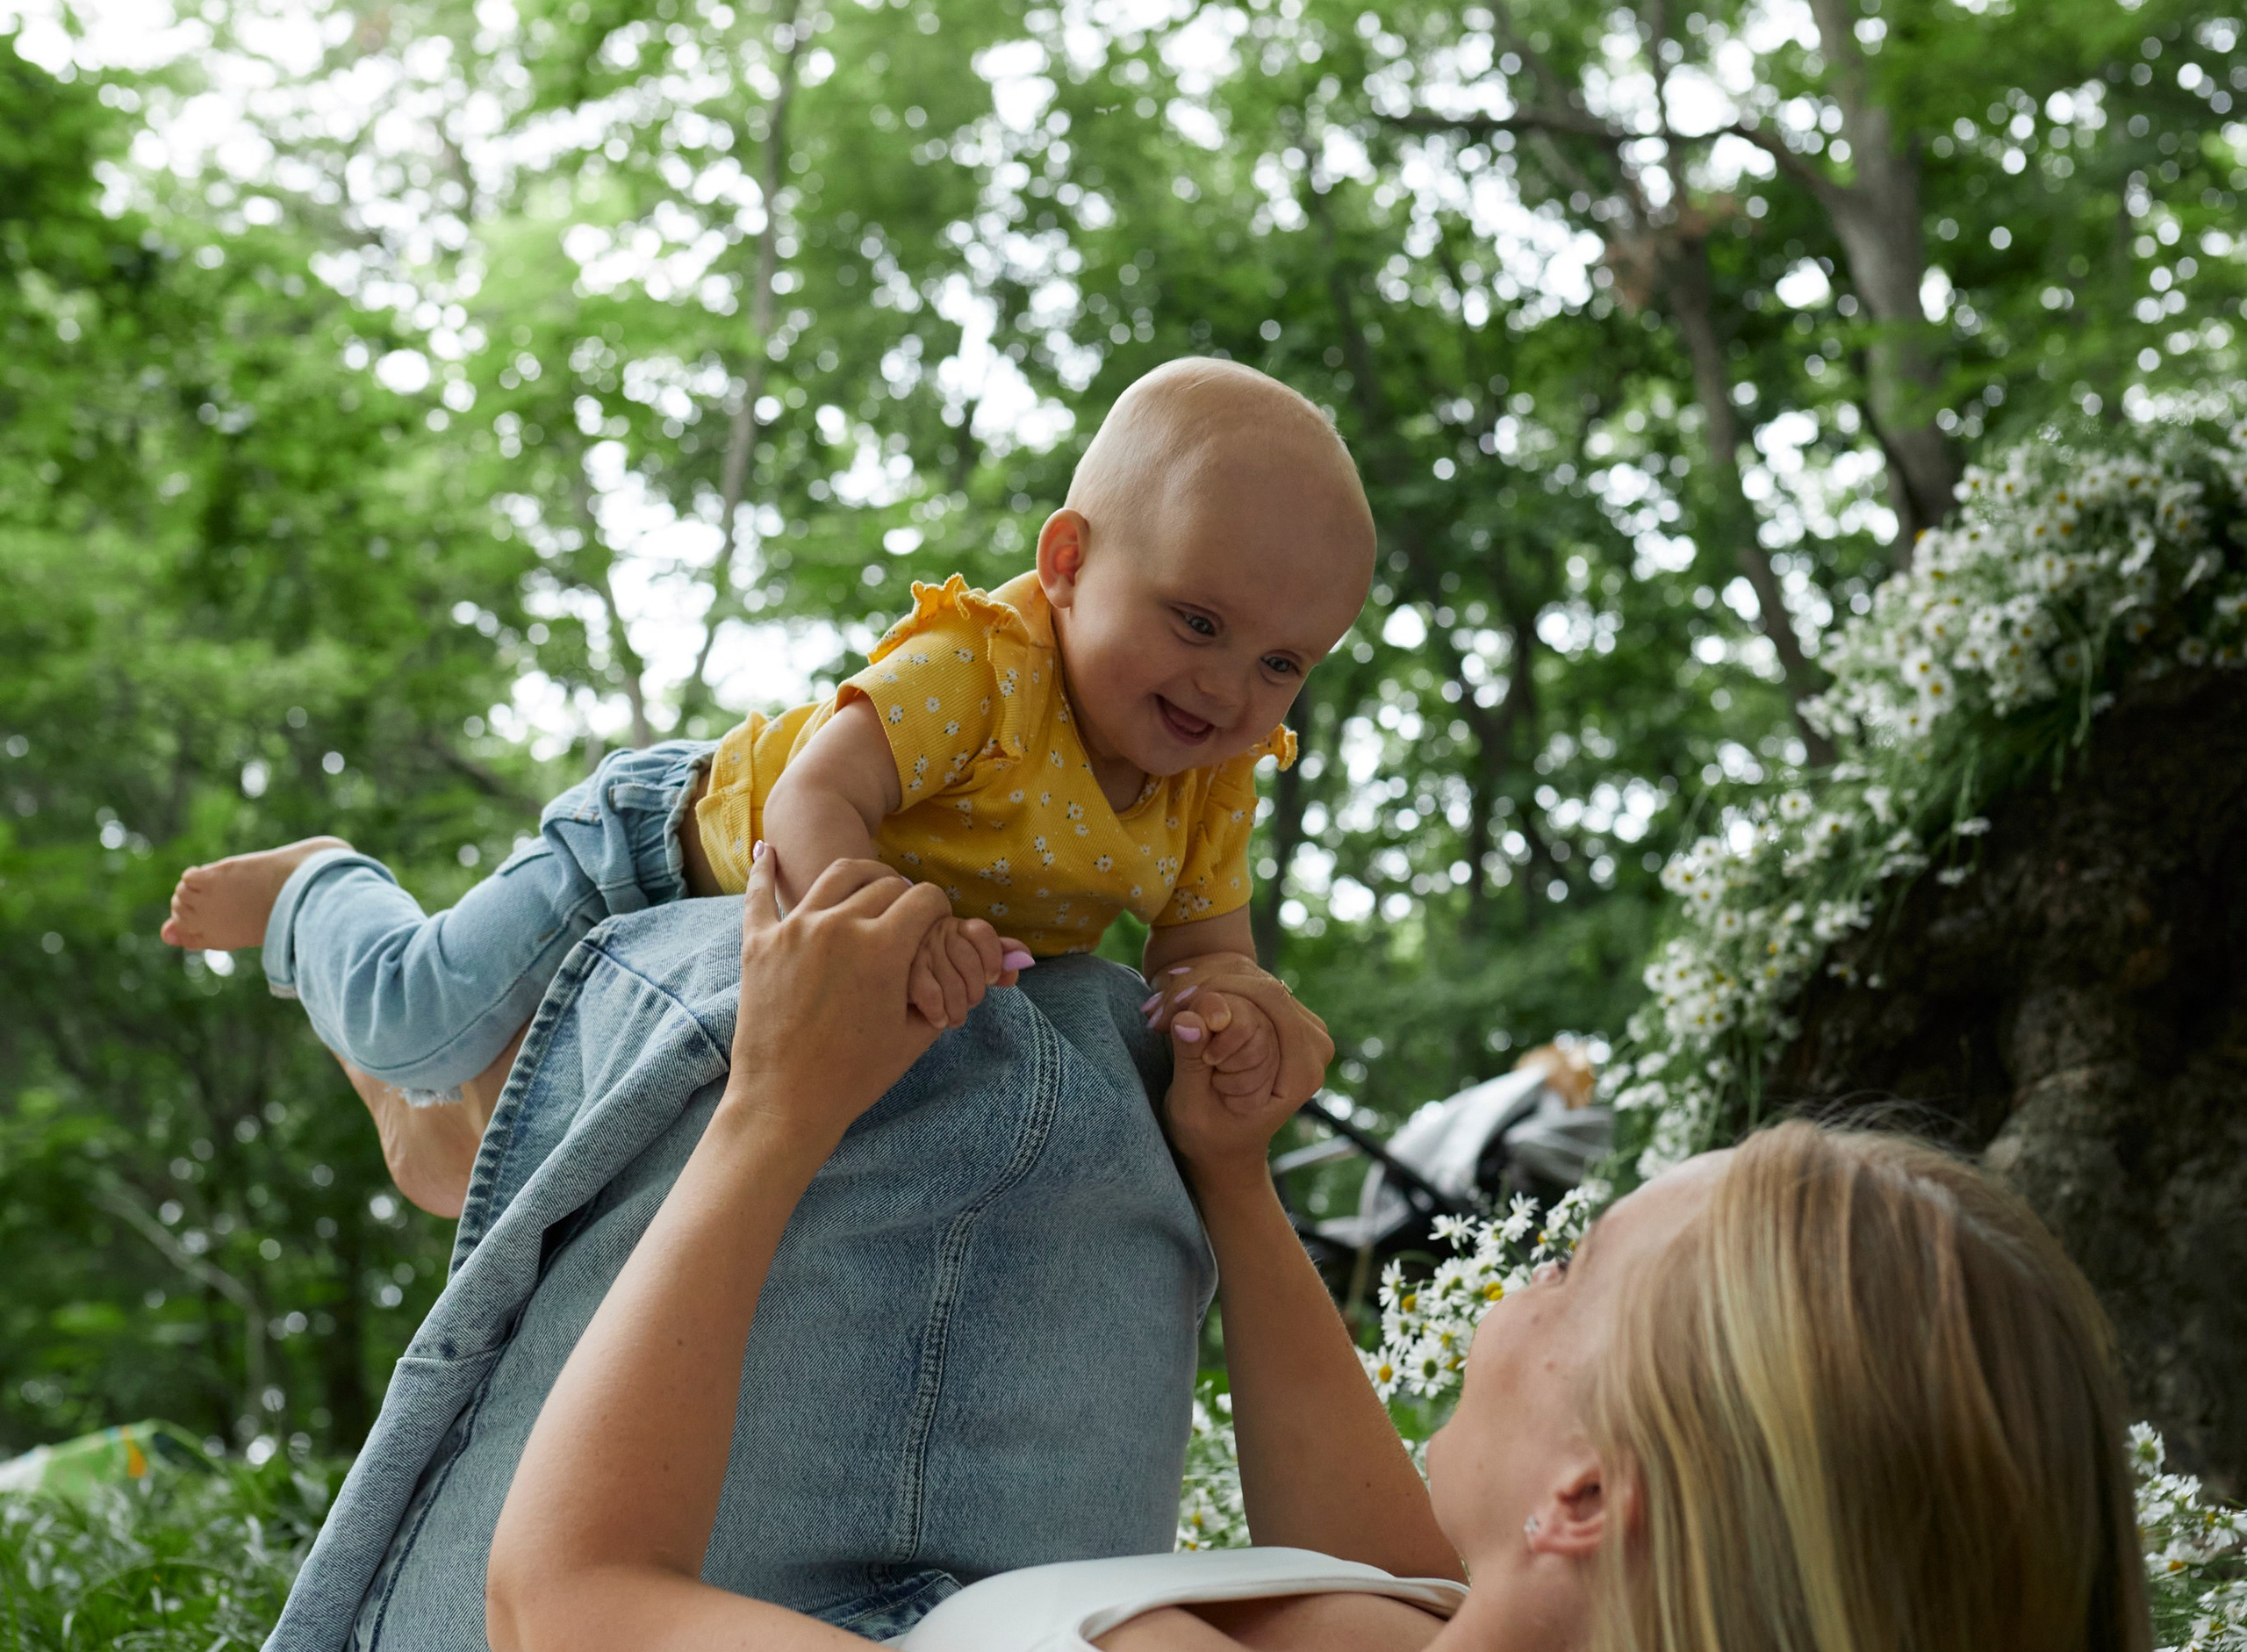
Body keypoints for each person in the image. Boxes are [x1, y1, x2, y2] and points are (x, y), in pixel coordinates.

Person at [482, 850, 2224, 1652]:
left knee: (709, 981)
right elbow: (1380, 1563)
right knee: (1062, 1069)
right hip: (874, 1642)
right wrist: (1233, 1180)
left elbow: (558, 1601)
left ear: (1586, 1499)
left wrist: (766, 1115)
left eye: (1564, 1269)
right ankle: (460, 1094)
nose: (1506, 1286)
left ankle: (444, 1053)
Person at [159, 359, 1375, 1210]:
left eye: (1280, 662)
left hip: (760, 932)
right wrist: (876, 916)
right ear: (1067, 564)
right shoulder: (984, 672)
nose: (1228, 688)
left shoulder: (1208, 785)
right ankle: (319, 891)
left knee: (460, 1167)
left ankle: (409, 1114)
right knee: (416, 1020)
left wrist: (1233, 1010)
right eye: (1199, 620)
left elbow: (1203, 950)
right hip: (653, 849)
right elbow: (813, 799)